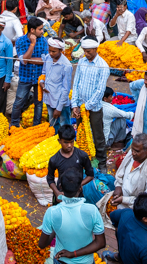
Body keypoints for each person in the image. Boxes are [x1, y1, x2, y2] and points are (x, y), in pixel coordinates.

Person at [71, 36, 110, 172]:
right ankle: (82, 159)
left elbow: (100, 91)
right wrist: (75, 105)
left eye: (88, 51)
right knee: (81, 135)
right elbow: (76, 84)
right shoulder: (81, 62)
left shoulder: (103, 66)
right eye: (84, 51)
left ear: (95, 49)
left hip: (93, 108)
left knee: (98, 137)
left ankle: (102, 163)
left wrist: (86, 107)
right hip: (80, 107)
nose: (86, 54)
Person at [11, 16, 48, 127]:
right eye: (40, 29)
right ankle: (14, 125)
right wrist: (32, 44)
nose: (42, 31)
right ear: (32, 30)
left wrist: (27, 59)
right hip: (25, 77)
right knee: (18, 102)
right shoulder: (20, 41)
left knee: (39, 104)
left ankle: (36, 126)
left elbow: (45, 61)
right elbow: (24, 62)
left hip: (39, 78)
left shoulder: (44, 41)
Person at [111, 133, 147, 211]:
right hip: (121, 206)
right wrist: (118, 186)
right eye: (132, 149)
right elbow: (120, 173)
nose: (133, 153)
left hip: (135, 212)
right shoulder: (132, 155)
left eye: (137, 151)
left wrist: (124, 200)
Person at [47, 124, 94, 201]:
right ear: (59, 141)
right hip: (61, 195)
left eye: (72, 142)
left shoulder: (82, 155)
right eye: (66, 142)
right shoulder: (54, 159)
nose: (69, 145)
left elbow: (90, 175)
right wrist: (57, 192)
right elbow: (49, 178)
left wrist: (79, 185)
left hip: (77, 195)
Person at [42, 38, 72, 132]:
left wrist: (59, 108)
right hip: (49, 99)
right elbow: (44, 73)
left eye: (53, 51)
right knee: (53, 125)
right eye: (49, 50)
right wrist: (42, 83)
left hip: (60, 102)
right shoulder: (47, 58)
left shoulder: (66, 66)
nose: (51, 53)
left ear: (61, 50)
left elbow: (66, 89)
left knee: (64, 126)